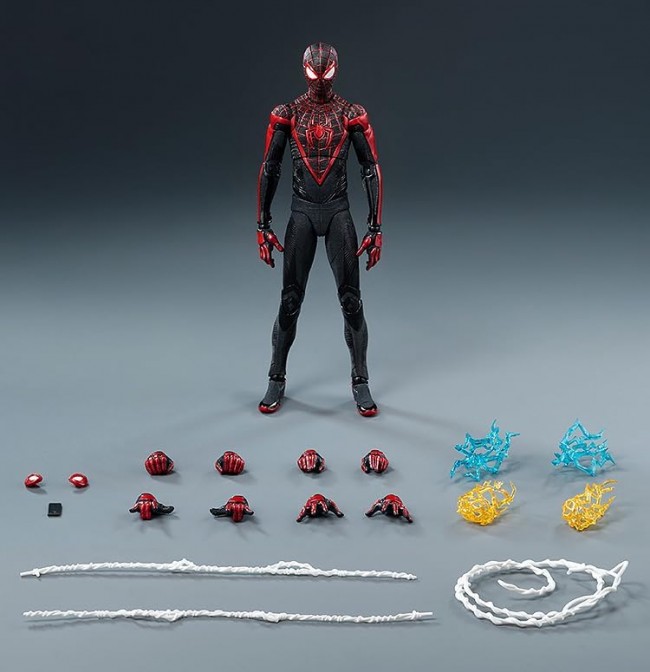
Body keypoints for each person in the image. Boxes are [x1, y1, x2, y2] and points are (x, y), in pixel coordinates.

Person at [256, 42, 383, 416]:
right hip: (302, 214)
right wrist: (262, 224)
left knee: (351, 302)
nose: (320, 79)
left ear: (336, 71)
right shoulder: (288, 113)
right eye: (315, 71)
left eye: (326, 72)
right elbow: (270, 167)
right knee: (289, 302)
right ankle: (276, 377)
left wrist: (376, 227)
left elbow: (370, 167)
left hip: (338, 212)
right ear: (304, 70)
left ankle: (360, 380)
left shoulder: (351, 114)